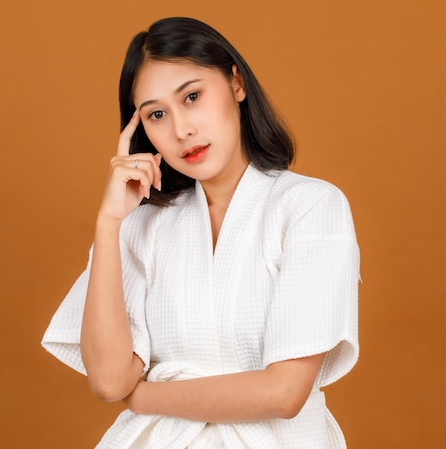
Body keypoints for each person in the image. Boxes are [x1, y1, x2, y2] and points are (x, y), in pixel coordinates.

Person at [42, 16, 359, 449]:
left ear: (236, 84)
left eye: (192, 96)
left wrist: (144, 396)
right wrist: (109, 223)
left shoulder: (310, 206)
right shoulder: (140, 226)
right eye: (157, 114)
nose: (181, 130)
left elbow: (283, 394)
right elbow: (109, 378)